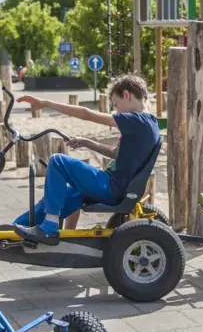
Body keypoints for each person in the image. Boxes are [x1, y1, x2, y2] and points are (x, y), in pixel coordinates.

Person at [12, 74, 159, 245]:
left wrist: (47, 103)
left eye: (116, 105)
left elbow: (85, 113)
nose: (117, 111)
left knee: (58, 161)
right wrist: (86, 142)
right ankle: (16, 227)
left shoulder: (137, 120)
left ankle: (49, 228)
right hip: (117, 187)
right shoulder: (151, 123)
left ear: (127, 95)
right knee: (61, 196)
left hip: (112, 187)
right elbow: (115, 153)